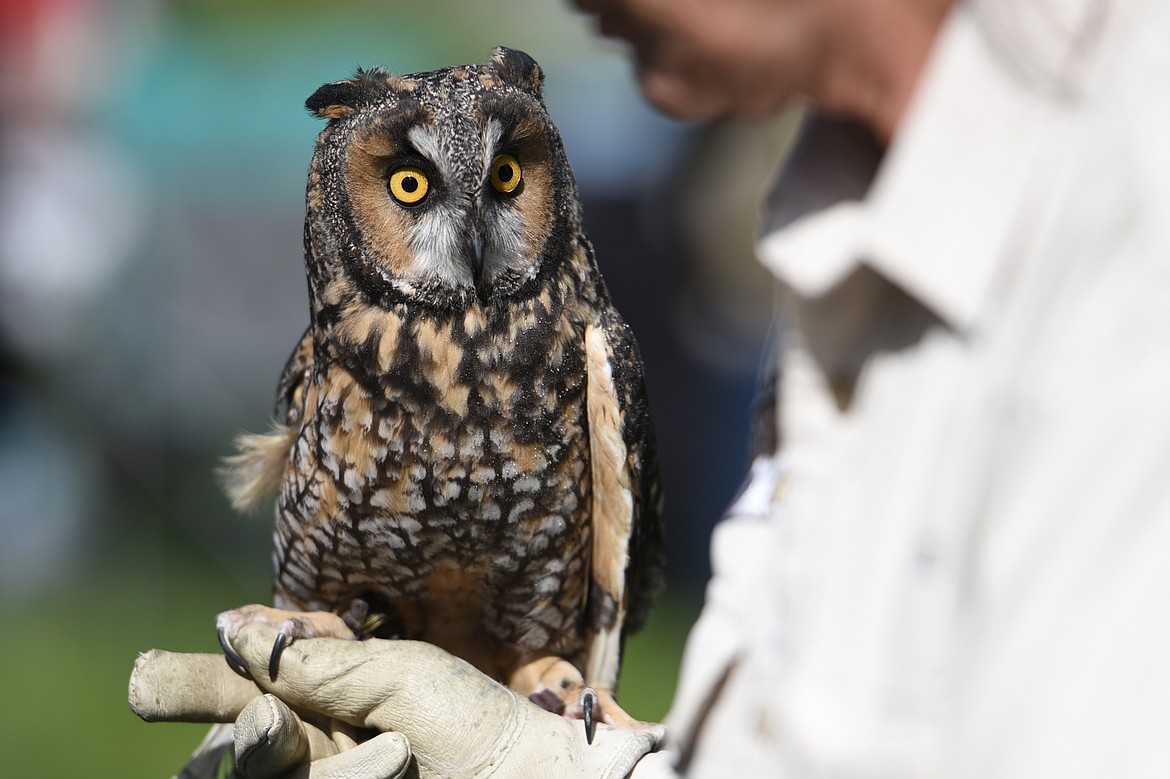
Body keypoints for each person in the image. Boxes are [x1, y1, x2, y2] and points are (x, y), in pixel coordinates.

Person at [131, 0, 1170, 776]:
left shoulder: (1121, 226)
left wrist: (534, 686)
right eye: (408, 187)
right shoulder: (838, 238)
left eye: (504, 182)